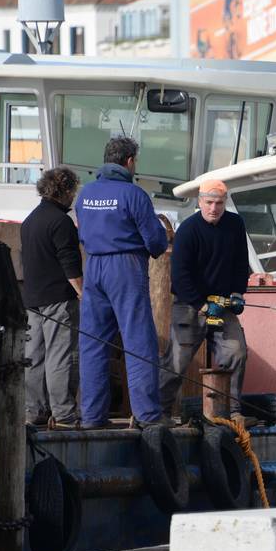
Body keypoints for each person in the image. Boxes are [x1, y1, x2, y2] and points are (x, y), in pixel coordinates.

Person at [75, 136, 169, 429]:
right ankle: (147, 415)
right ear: (129, 161)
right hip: (125, 266)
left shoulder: (85, 194)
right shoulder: (134, 195)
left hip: (94, 266)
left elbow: (81, 232)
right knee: (138, 339)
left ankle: (91, 416)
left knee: (93, 342)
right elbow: (155, 242)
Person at [158, 179, 252, 426]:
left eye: (219, 203)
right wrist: (201, 304)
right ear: (199, 202)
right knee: (177, 360)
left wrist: (238, 293)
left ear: (225, 203)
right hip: (189, 304)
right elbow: (179, 275)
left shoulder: (235, 225)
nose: (214, 208)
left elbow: (242, 263)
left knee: (237, 352)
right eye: (209, 203)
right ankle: (159, 411)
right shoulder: (188, 230)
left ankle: (232, 413)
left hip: (223, 304)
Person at [21, 167, 83, 429]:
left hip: (33, 299)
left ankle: (34, 411)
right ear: (65, 191)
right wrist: (83, 293)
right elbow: (70, 266)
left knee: (34, 358)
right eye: (73, 192)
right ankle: (64, 414)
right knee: (60, 357)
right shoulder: (61, 222)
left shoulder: (30, 220)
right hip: (58, 299)